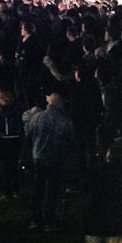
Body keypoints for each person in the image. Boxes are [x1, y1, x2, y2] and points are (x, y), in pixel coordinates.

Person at [25, 91, 77, 231]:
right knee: (52, 190)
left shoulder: (36, 118)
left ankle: (35, 219)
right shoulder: (64, 121)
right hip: (56, 158)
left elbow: (28, 134)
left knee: (38, 188)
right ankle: (49, 219)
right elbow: (71, 140)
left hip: (39, 157)